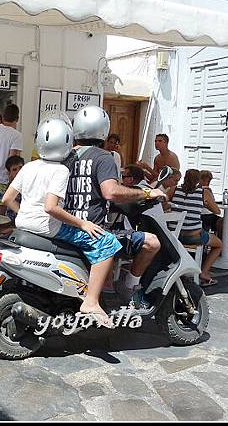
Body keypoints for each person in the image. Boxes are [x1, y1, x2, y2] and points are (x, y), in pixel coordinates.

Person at [2, 116, 120, 326]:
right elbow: (51, 207)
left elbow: (7, 199)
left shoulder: (29, 166)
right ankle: (91, 301)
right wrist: (83, 223)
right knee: (107, 242)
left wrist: (24, 214)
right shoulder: (60, 170)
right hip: (49, 228)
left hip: (23, 225)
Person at [64, 106, 167, 311]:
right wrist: (146, 193)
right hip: (93, 230)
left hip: (67, 227)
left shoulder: (65, 156)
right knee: (152, 242)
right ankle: (129, 288)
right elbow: (111, 192)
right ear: (103, 129)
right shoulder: (104, 157)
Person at [171, 169, 222, 287]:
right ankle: (204, 273)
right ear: (198, 181)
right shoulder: (203, 192)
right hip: (193, 236)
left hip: (174, 235)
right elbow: (217, 211)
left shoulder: (174, 190)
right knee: (219, 244)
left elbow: (164, 203)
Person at [0, 155, 25, 251]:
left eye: (21, 168)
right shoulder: (10, 186)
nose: (19, 171)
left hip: (20, 223)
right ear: (9, 173)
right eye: (14, 170)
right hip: (9, 221)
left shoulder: (28, 186)